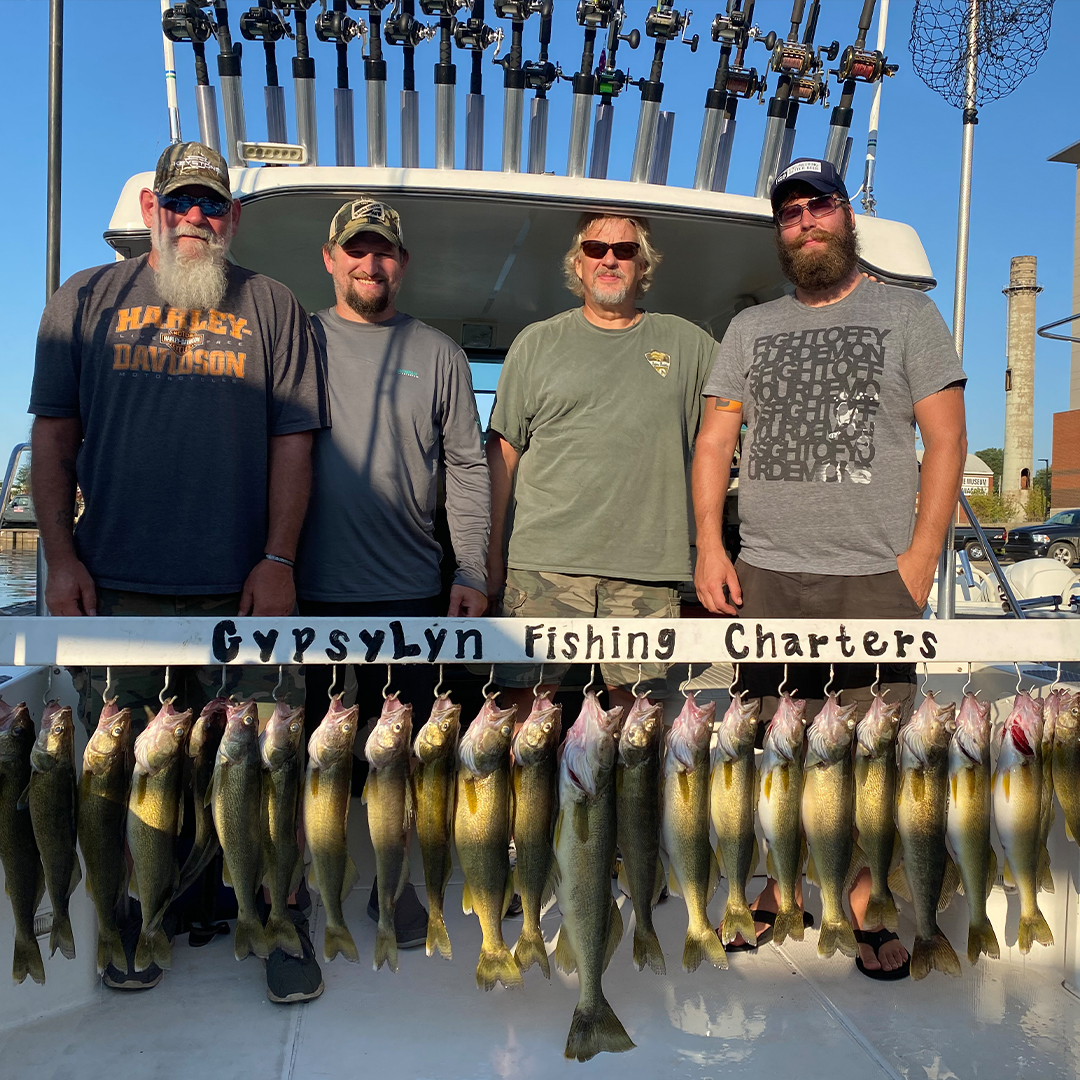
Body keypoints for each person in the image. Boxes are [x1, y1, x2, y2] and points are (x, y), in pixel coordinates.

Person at [29, 142, 330, 1002]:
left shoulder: (273, 305)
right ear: (153, 212)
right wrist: (60, 557)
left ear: (232, 219)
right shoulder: (83, 298)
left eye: (212, 205)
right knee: (124, 768)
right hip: (116, 584)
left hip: (246, 586)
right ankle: (136, 909)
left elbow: (293, 443)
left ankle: (280, 909)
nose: (195, 218)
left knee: (271, 765)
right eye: (181, 202)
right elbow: (54, 437)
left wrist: (277, 560)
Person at [692, 158, 967, 978]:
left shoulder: (910, 314)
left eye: (820, 206)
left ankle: (864, 896)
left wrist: (920, 558)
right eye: (790, 213)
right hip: (769, 571)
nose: (806, 221)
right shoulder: (749, 330)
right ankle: (779, 884)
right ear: (779, 231)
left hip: (874, 576)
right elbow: (714, 441)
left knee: (868, 752)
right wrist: (711, 545)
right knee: (776, 737)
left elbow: (947, 440)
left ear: (848, 216)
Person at [296, 196, 489, 948]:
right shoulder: (299, 339)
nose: (369, 263)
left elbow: (469, 470)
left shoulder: (439, 352)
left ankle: (394, 886)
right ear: (330, 257)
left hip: (411, 591)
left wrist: (470, 568)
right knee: (307, 754)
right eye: (356, 249)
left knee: (403, 757)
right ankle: (304, 889)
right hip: (305, 593)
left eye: (384, 252)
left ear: (402, 265)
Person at [486, 213, 718, 717]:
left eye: (625, 250)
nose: (609, 258)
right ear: (578, 263)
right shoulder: (536, 342)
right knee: (521, 713)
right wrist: (489, 554)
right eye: (595, 249)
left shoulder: (690, 344)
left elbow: (730, 423)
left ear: (644, 267)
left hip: (647, 571)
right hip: (543, 564)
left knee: (637, 717)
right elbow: (503, 451)